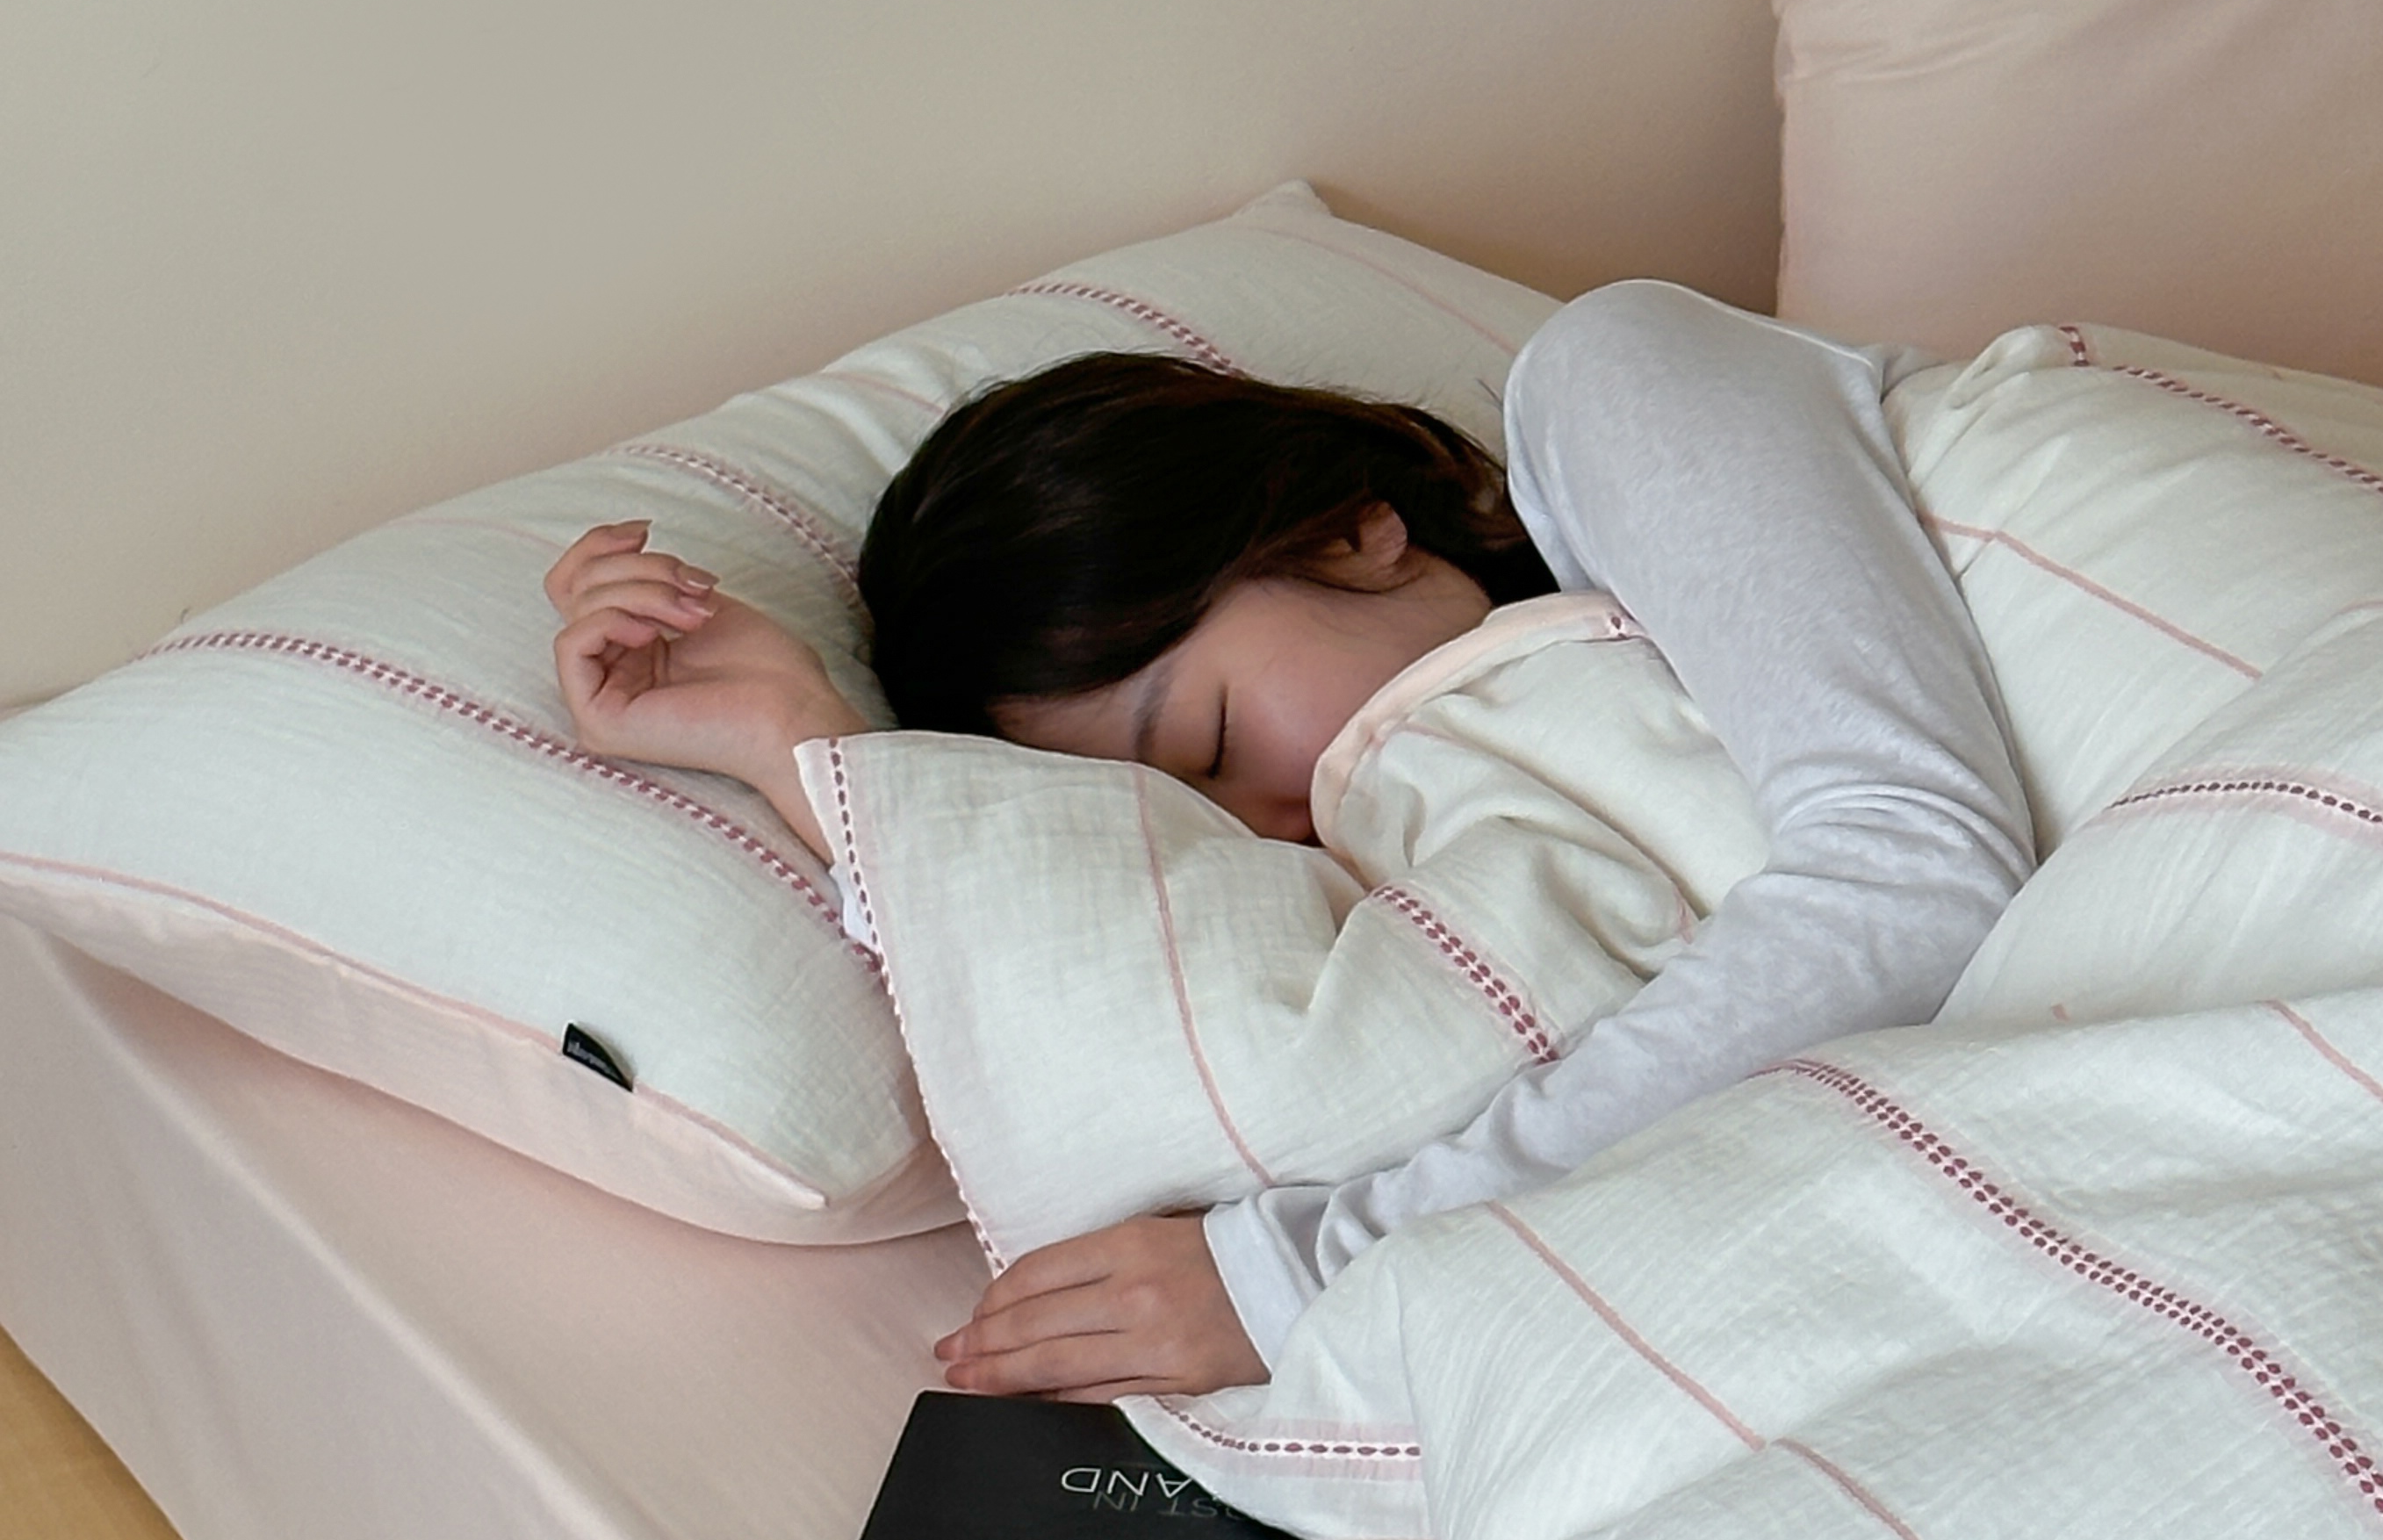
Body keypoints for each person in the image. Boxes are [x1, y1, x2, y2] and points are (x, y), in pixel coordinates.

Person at [546, 283, 2034, 1401]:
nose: (1273, 819)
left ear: (1347, 529)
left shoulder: (1616, 378)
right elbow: (1166, 1034)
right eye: (1193, 818)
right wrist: (799, 743)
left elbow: (1914, 869)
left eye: (1206, 744)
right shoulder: (1433, 836)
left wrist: (1313, 1265)